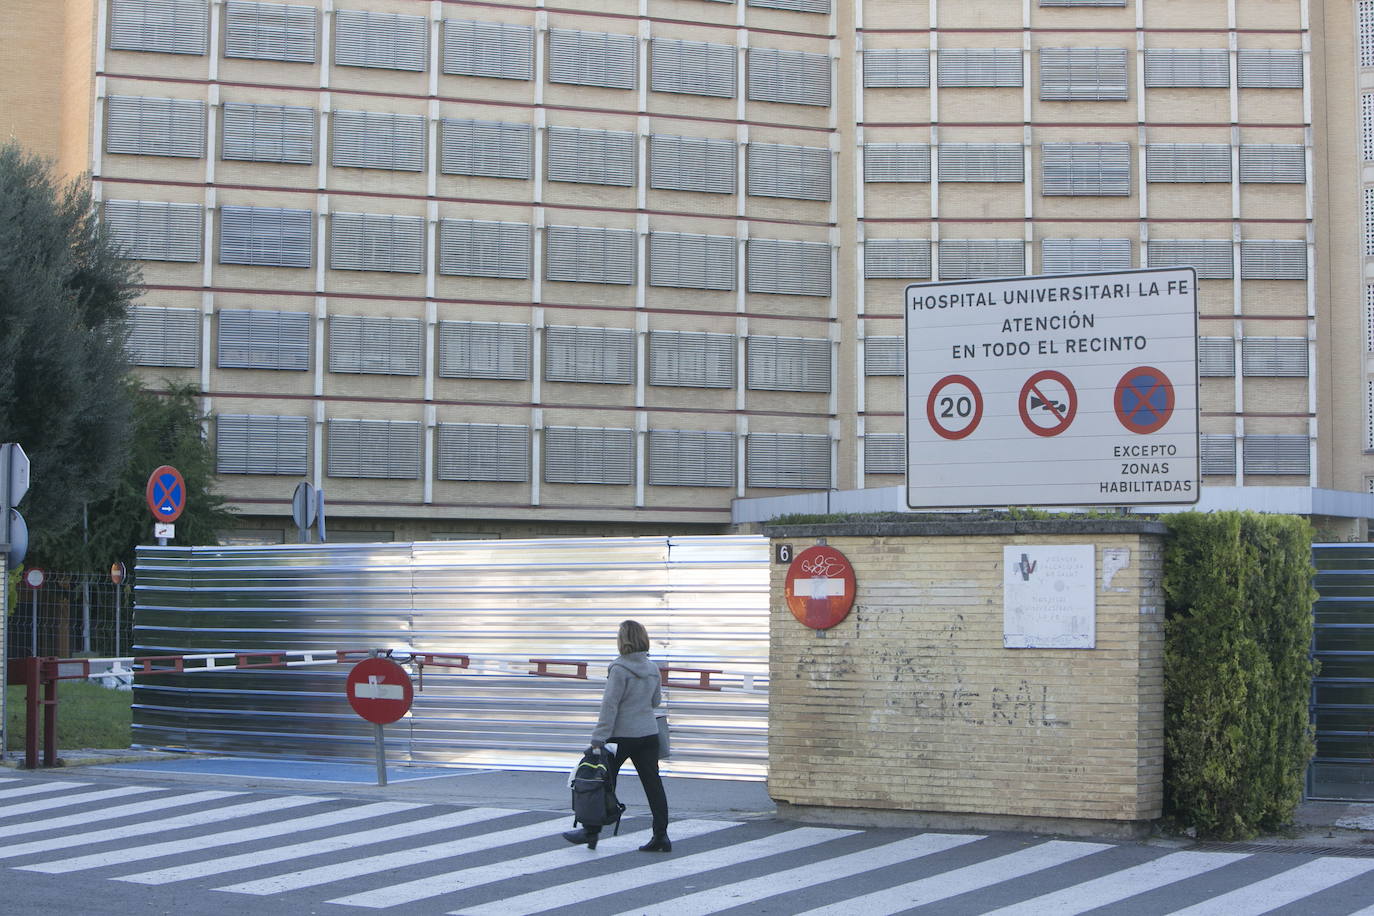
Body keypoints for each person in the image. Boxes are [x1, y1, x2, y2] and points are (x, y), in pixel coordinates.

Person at [563, 619, 671, 852]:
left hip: (621, 737)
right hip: (648, 734)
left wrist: (598, 738)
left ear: (623, 641)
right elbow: (656, 702)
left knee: (599, 783)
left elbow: (610, 705)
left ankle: (590, 832)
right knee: (654, 786)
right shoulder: (652, 668)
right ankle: (661, 836)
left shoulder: (619, 669)